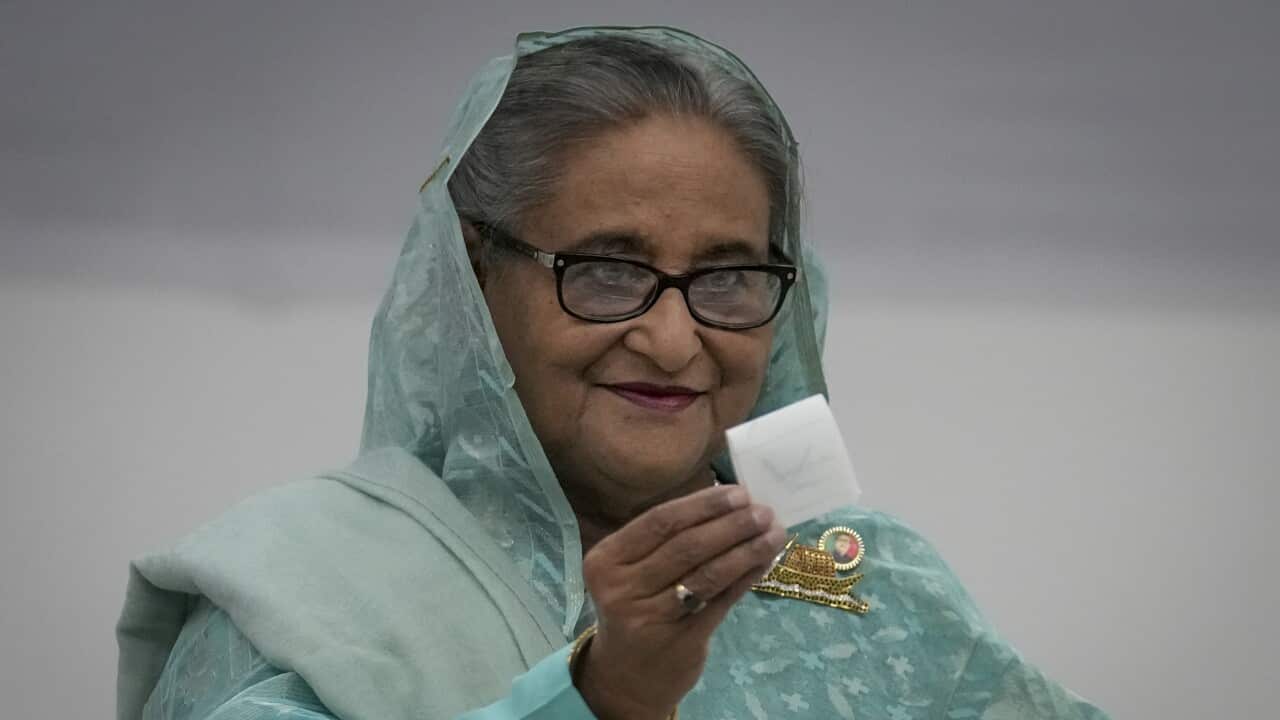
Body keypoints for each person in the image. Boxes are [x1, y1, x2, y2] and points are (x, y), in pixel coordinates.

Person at [116, 27, 1109, 720]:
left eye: (725, 277)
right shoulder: (302, 595)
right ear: (473, 278)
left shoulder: (861, 581)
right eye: (606, 270)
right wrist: (601, 701)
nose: (675, 344)